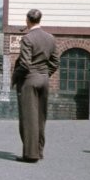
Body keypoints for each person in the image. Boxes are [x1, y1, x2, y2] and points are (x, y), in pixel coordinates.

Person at [11, 9, 59, 163]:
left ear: (27, 20)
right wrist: (45, 74)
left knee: (28, 118)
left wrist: (15, 78)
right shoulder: (50, 38)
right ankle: (39, 151)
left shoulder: (27, 38)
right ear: (40, 20)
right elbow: (55, 62)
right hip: (44, 79)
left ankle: (30, 155)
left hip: (29, 81)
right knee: (40, 117)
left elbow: (25, 64)